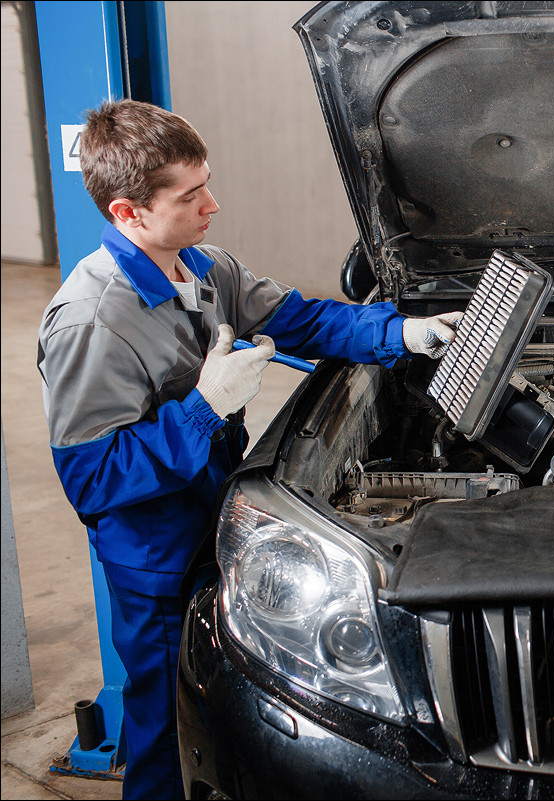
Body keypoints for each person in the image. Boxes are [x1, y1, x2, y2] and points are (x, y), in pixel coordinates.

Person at [36, 99, 461, 800]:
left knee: (221, 708)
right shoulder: (92, 321)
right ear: (127, 213)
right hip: (154, 557)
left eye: (206, 181)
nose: (213, 202)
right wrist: (204, 409)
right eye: (189, 193)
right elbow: (93, 477)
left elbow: (302, 319)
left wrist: (403, 334)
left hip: (214, 518)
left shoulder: (204, 266)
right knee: (165, 728)